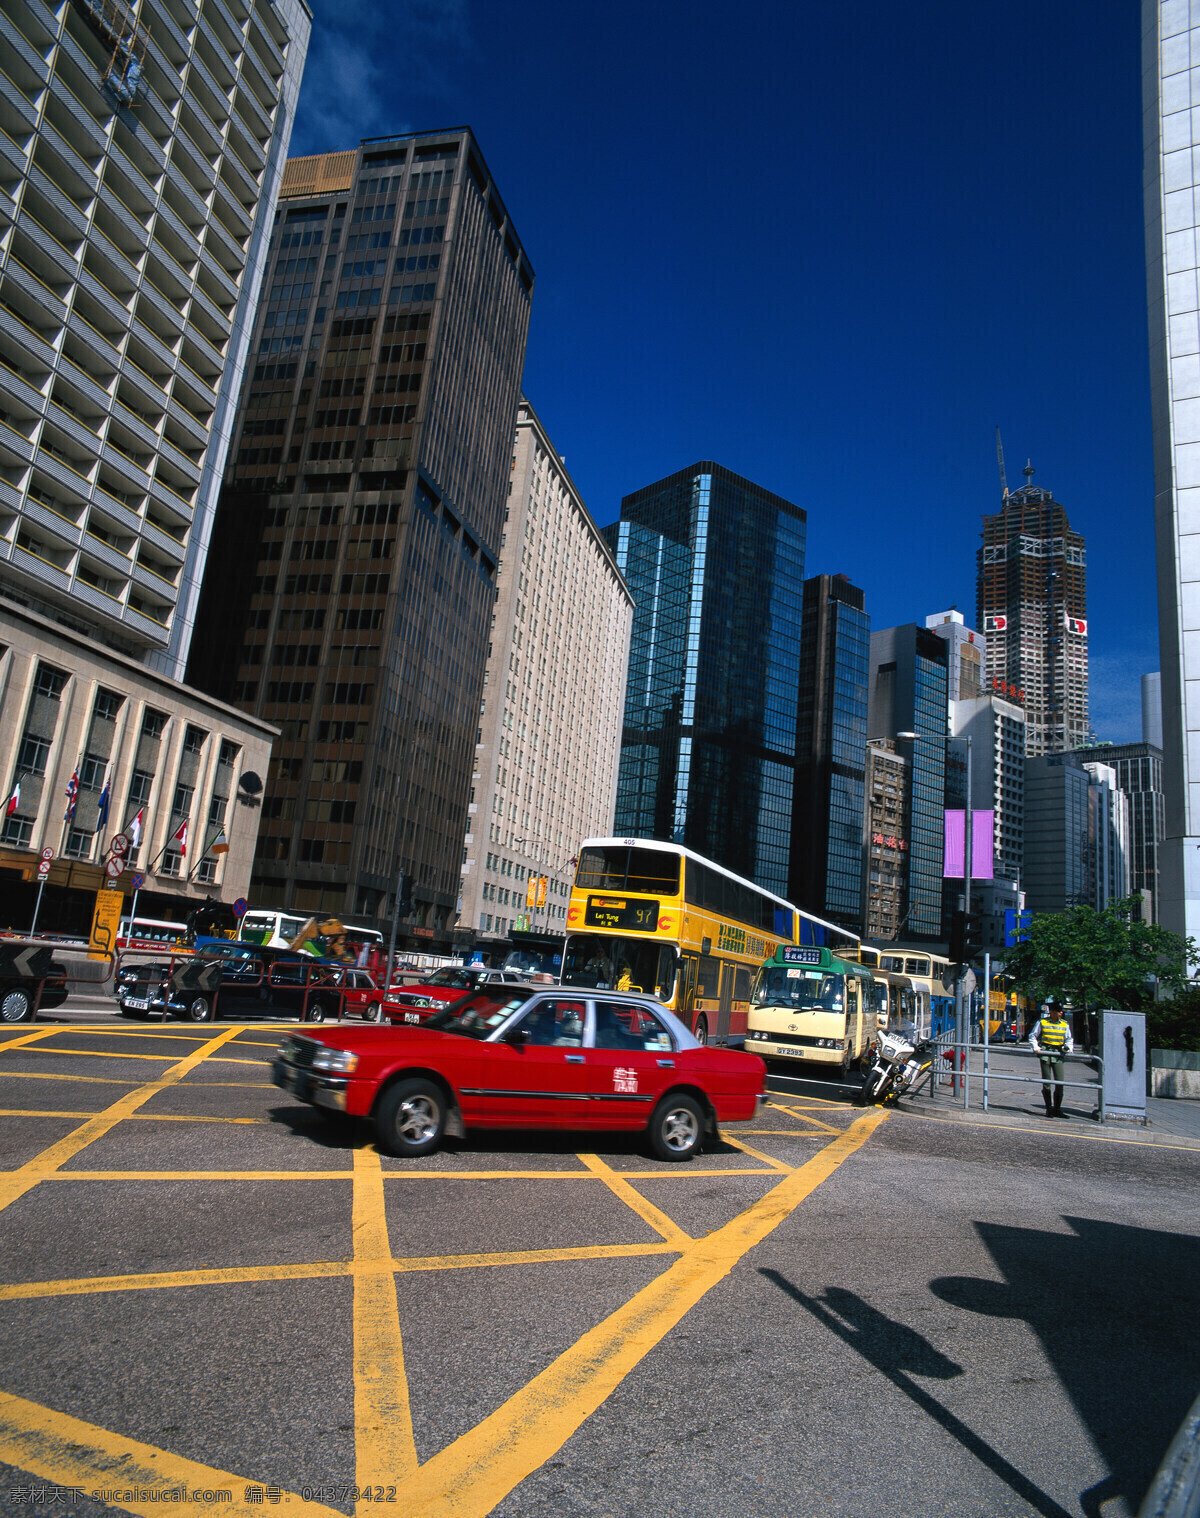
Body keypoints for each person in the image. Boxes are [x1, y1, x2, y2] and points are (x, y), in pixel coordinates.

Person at [1029, 998, 1074, 1118]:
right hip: (1045, 1053)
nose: (1061, 1013)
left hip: (1058, 1054)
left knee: (1060, 1082)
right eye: (1059, 1011)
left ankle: (1057, 1109)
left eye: (1061, 1011)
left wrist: (1067, 1048)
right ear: (1052, 1012)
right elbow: (1033, 1035)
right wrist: (1036, 1047)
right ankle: (1049, 1108)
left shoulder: (1064, 1024)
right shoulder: (1043, 1022)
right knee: (1047, 1083)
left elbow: (1069, 1039)